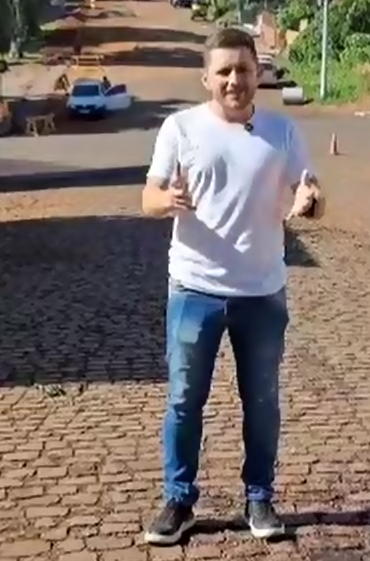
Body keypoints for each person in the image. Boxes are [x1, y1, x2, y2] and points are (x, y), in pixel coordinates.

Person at [139, 27, 324, 546]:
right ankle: (179, 501)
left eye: (243, 69)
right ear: (206, 78)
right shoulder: (180, 128)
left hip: (262, 292)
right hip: (193, 289)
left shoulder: (282, 132)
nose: (234, 80)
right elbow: (148, 198)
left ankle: (259, 498)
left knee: (261, 402)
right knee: (184, 400)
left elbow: (311, 193)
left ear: (258, 74)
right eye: (223, 71)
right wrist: (168, 200)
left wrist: (310, 200)